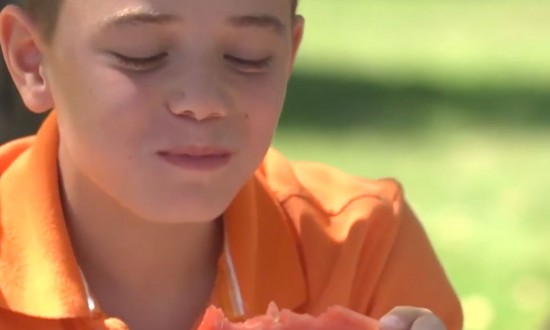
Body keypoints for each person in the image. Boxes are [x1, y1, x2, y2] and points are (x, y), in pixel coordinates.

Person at [0, 0, 463, 329]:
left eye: (248, 57)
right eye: (141, 54)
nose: (202, 102)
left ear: (289, 56)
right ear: (31, 60)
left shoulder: (365, 246)